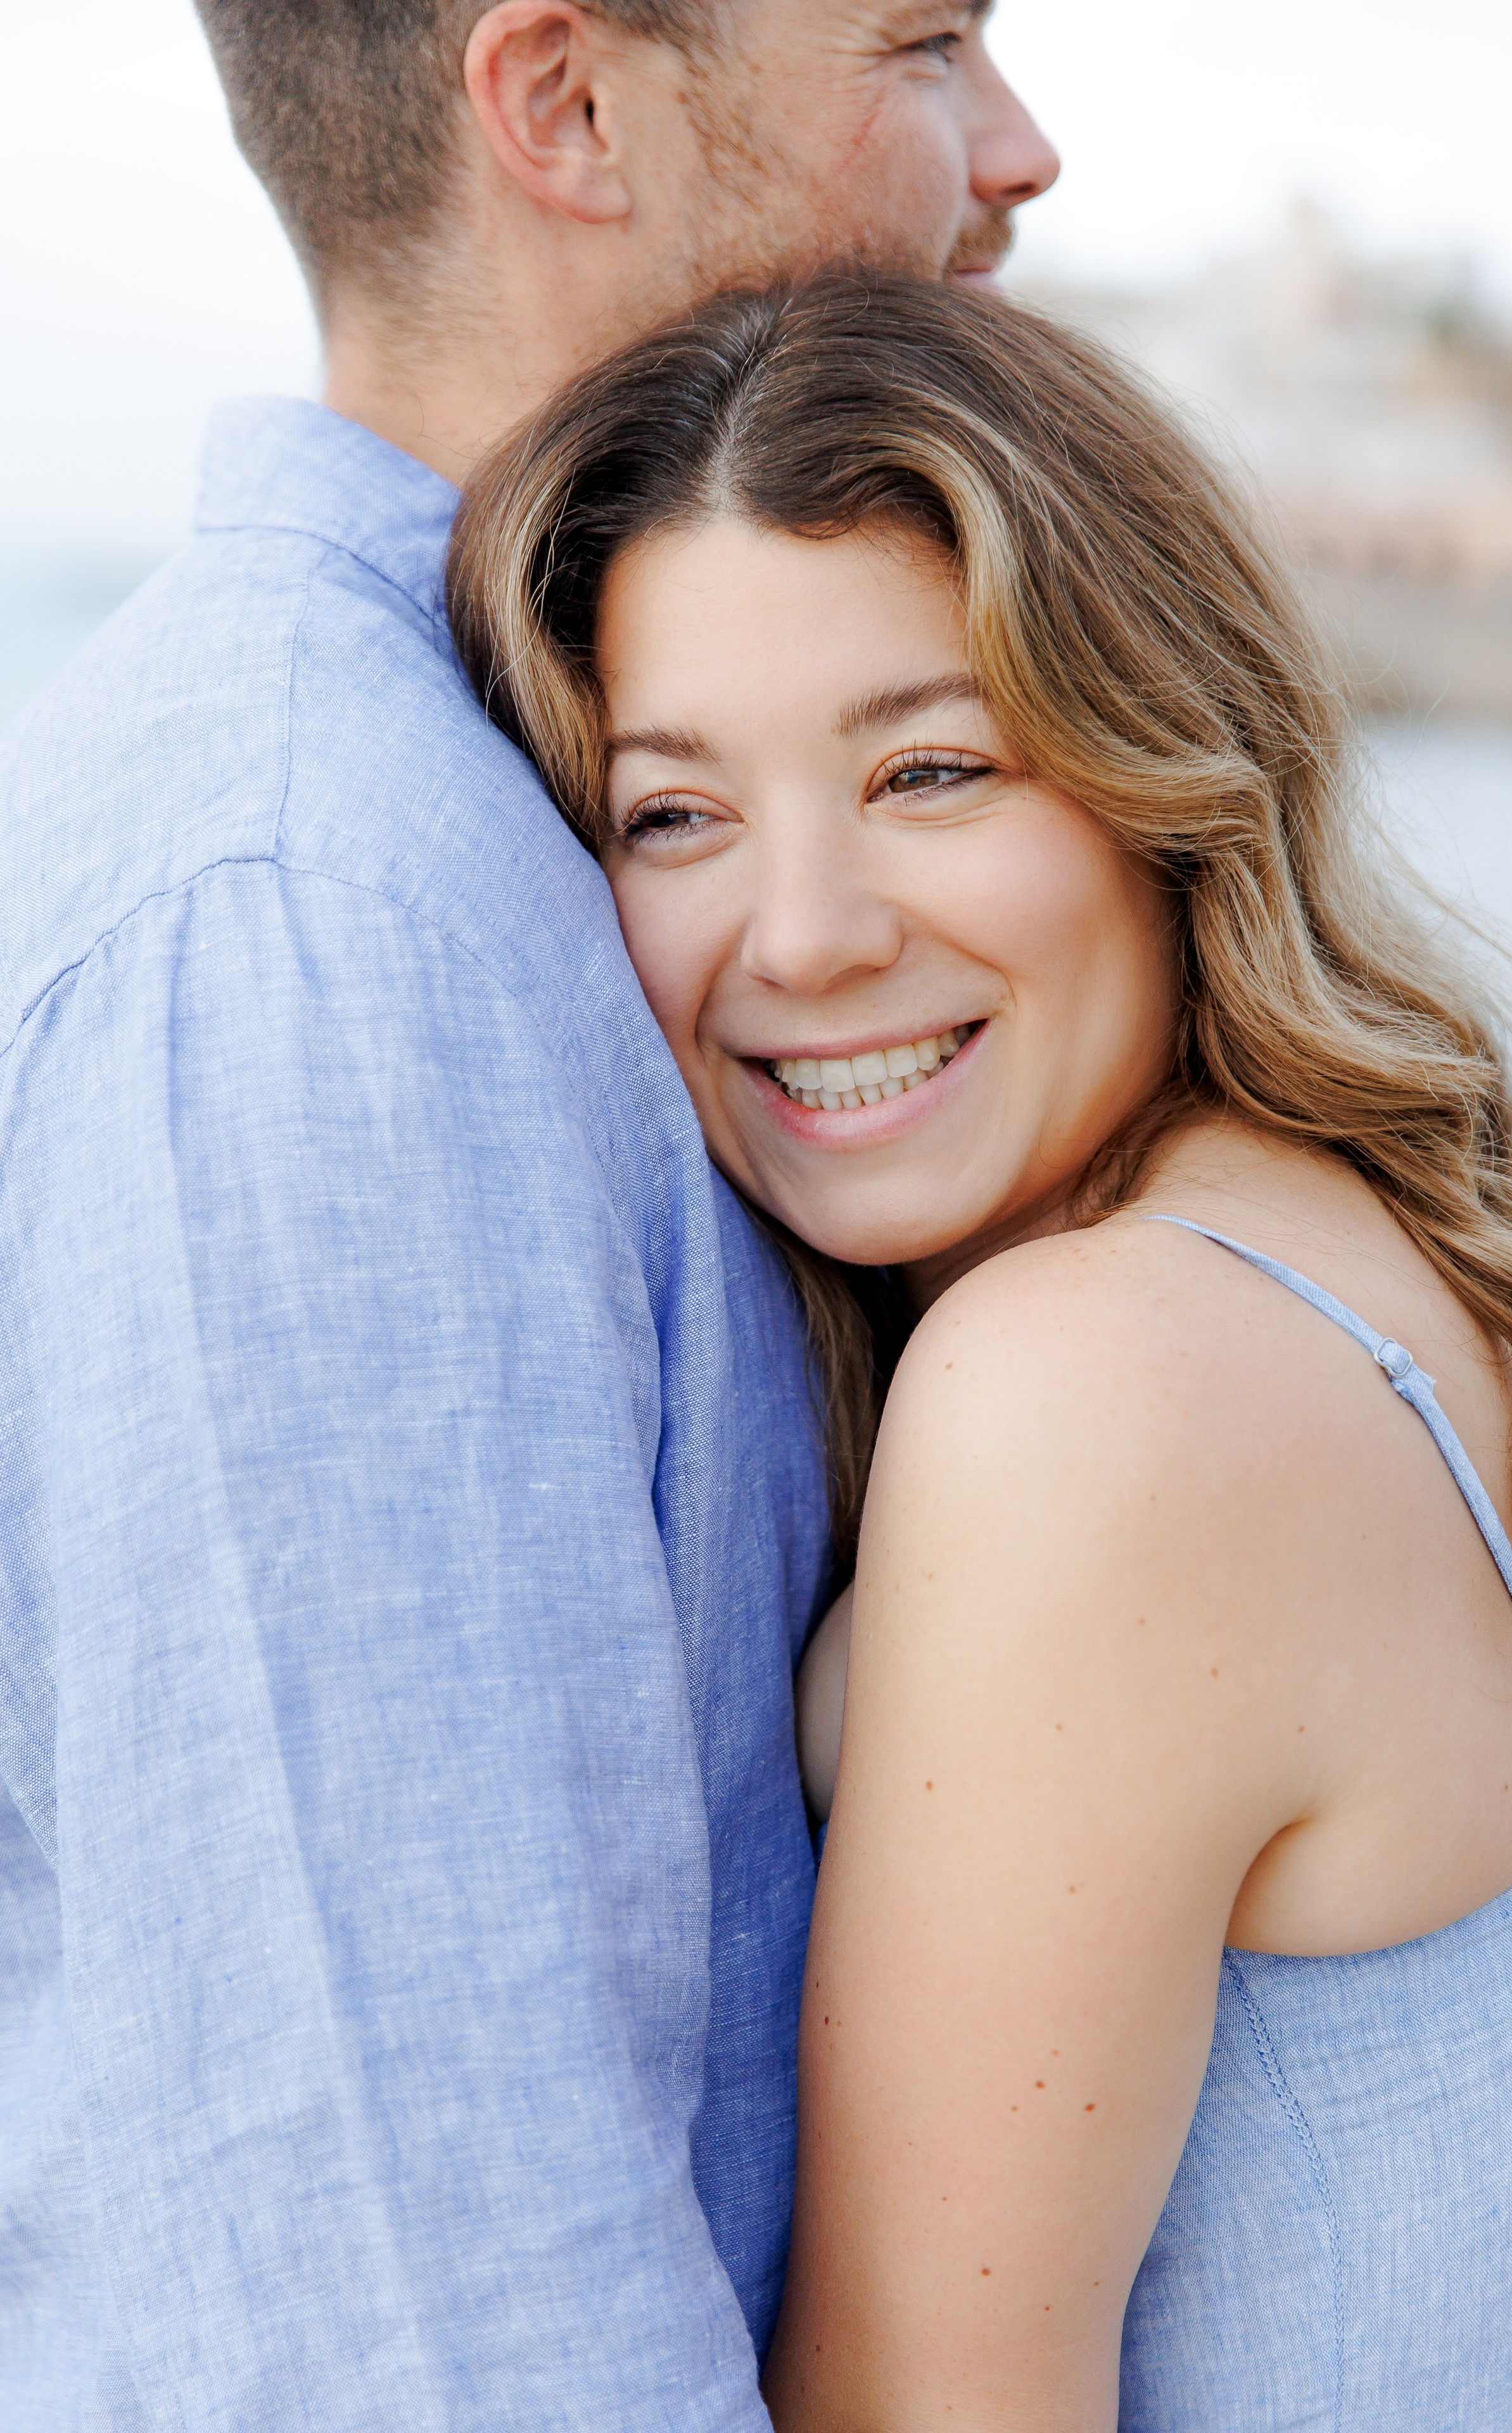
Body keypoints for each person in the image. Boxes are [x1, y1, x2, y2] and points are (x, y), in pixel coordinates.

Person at [0, 10, 1057, 2427]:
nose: (1018, 147)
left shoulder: (495, 814)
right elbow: (425, 2300)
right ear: (564, 105)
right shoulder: (307, 932)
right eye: (924, 44)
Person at [447, 274, 1512, 2428]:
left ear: (1165, 773)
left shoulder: (1097, 1390)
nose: (802, 933)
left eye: (931, 767)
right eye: (674, 814)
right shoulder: (1375, 1254)